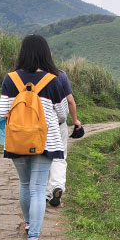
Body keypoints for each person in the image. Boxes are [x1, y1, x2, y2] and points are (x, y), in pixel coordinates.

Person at [0, 34, 68, 240]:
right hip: (44, 142)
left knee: (25, 185)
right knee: (38, 188)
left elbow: (1, 112)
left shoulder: (10, 80)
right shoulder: (53, 80)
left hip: (17, 141)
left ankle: (28, 224)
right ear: (45, 54)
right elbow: (62, 113)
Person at [45, 68, 82, 207]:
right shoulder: (59, 75)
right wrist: (75, 120)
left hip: (35, 126)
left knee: (41, 157)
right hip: (57, 124)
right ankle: (57, 186)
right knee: (59, 157)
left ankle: (42, 191)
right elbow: (70, 101)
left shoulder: (27, 74)